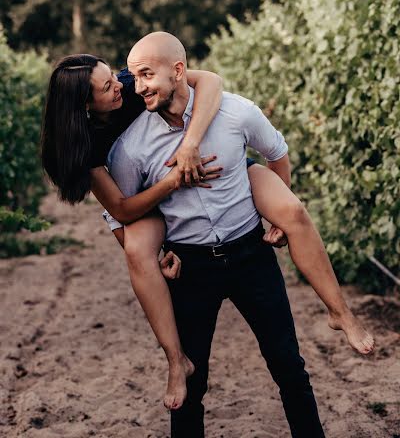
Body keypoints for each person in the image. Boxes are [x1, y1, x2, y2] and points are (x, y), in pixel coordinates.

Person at [42, 44, 374, 411]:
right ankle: (175, 360)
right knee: (138, 252)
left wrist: (190, 145)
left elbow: (210, 81)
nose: (123, 87)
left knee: (291, 211)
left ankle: (340, 311)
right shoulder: (89, 144)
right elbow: (119, 209)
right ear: (85, 107)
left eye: (114, 76)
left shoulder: (135, 82)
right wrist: (172, 193)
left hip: (207, 168)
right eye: (107, 88)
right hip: (147, 194)